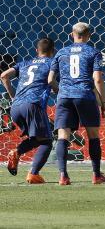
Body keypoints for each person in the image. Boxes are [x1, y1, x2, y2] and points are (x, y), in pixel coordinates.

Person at [48, 22, 105, 185]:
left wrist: (59, 90)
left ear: (72, 34)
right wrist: (104, 102)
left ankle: (63, 176)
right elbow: (97, 78)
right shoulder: (94, 52)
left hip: (64, 97)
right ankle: (96, 175)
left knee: (63, 136)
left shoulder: (61, 52)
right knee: (93, 135)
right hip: (85, 95)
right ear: (89, 35)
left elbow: (50, 80)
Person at [0, 38, 56, 184]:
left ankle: (17, 152)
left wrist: (13, 96)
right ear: (53, 51)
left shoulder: (24, 63)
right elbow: (52, 81)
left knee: (36, 138)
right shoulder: (52, 63)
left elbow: (4, 76)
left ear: (36, 51)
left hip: (16, 107)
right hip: (33, 104)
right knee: (47, 142)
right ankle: (33, 174)